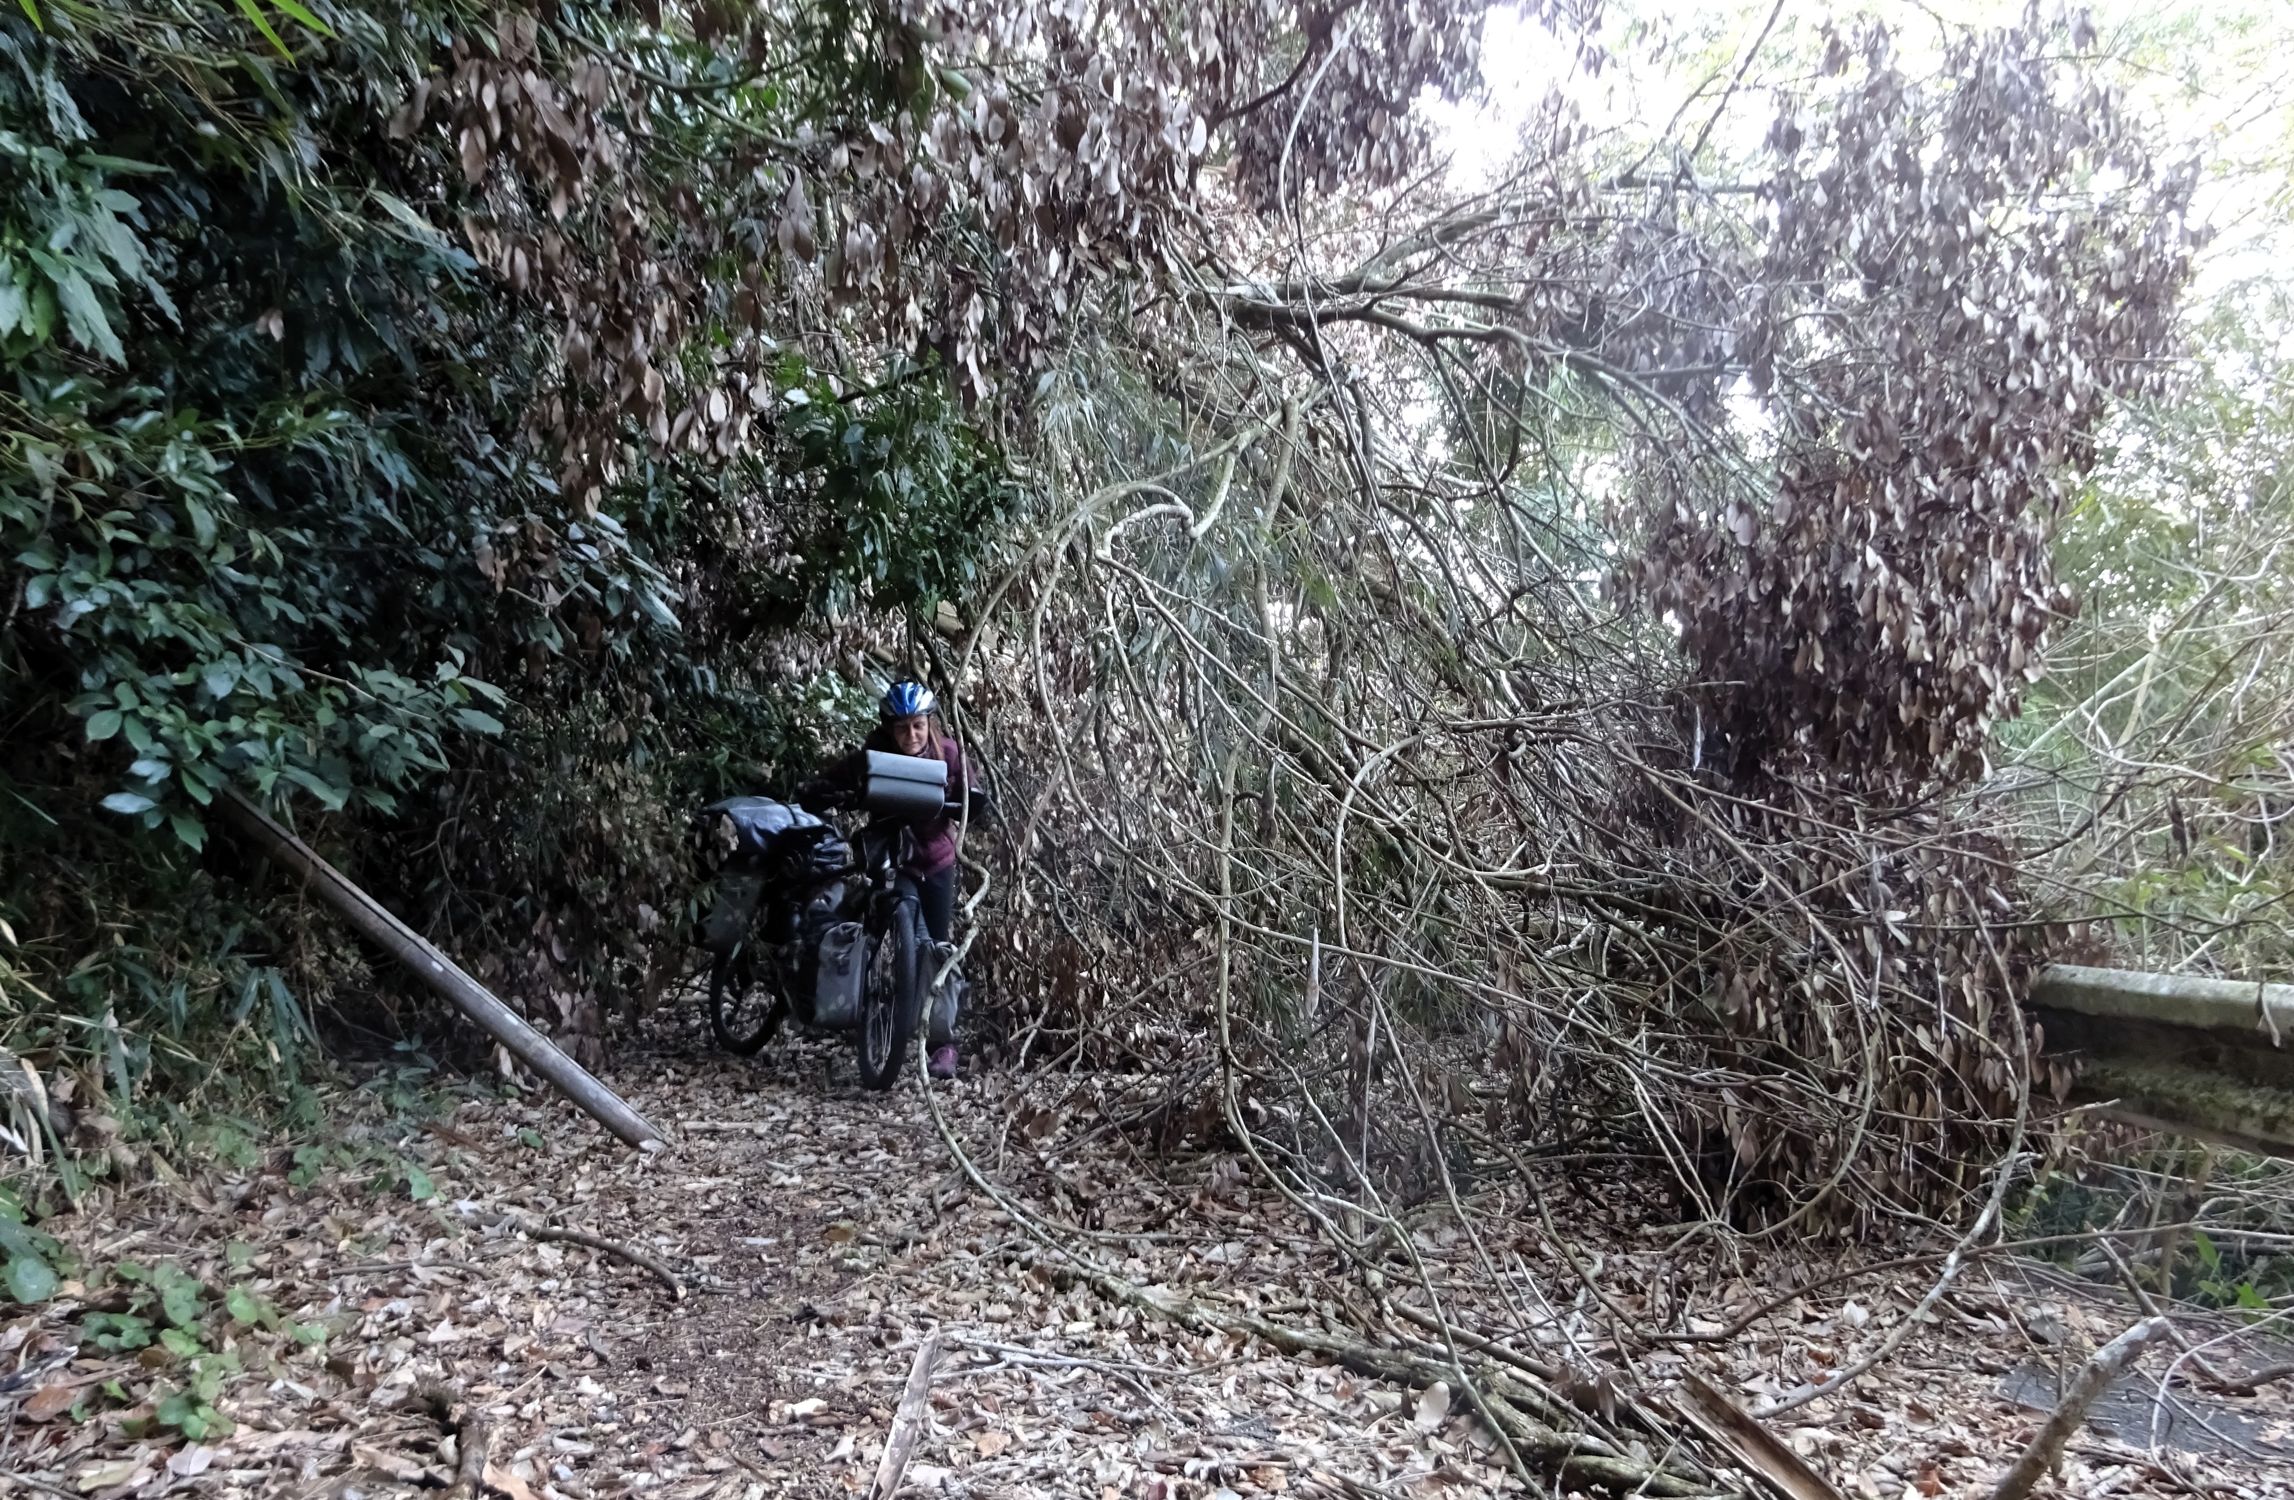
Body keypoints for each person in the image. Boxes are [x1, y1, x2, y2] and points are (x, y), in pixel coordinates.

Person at [805, 679, 986, 1079]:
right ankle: (877, 1005)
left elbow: (973, 794)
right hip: (892, 859)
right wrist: (820, 792)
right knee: (899, 929)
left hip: (936, 860)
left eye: (918, 726)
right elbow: (837, 778)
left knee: (938, 948)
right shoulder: (874, 754)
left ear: (929, 724)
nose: (911, 735)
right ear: (889, 728)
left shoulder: (949, 753)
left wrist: (972, 802)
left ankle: (943, 1045)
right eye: (902, 728)